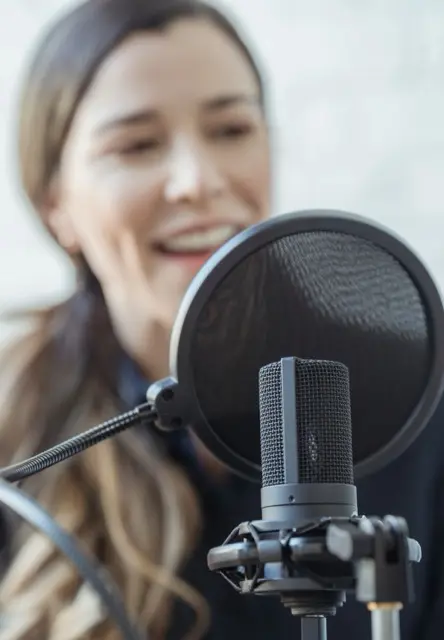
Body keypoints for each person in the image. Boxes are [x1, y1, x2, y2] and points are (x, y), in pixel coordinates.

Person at [0, 0, 443, 639]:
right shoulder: (18, 433)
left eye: (231, 130)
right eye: (137, 145)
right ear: (56, 207)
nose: (197, 180)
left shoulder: (409, 393)